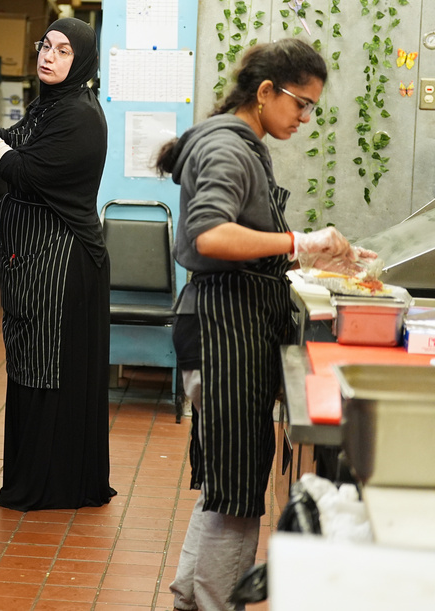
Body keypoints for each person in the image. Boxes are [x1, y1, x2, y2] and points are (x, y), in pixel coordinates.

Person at [154, 38, 372, 611]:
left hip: (230, 326)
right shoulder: (227, 146)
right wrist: (300, 240)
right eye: (301, 103)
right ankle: (215, 603)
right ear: (266, 91)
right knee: (237, 493)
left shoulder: (243, 144)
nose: (305, 118)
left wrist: (312, 257)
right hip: (223, 329)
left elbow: (251, 242)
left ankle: (190, 600)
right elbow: (210, 235)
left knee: (227, 484)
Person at [0, 18, 116, 511]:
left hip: (63, 262)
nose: (48, 57)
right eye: (45, 46)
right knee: (30, 366)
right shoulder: (49, 105)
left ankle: (54, 484)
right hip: (35, 259)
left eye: (63, 51)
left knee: (49, 370)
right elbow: (15, 141)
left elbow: (22, 170)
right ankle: (32, 477)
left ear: (82, 61)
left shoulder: (80, 116)